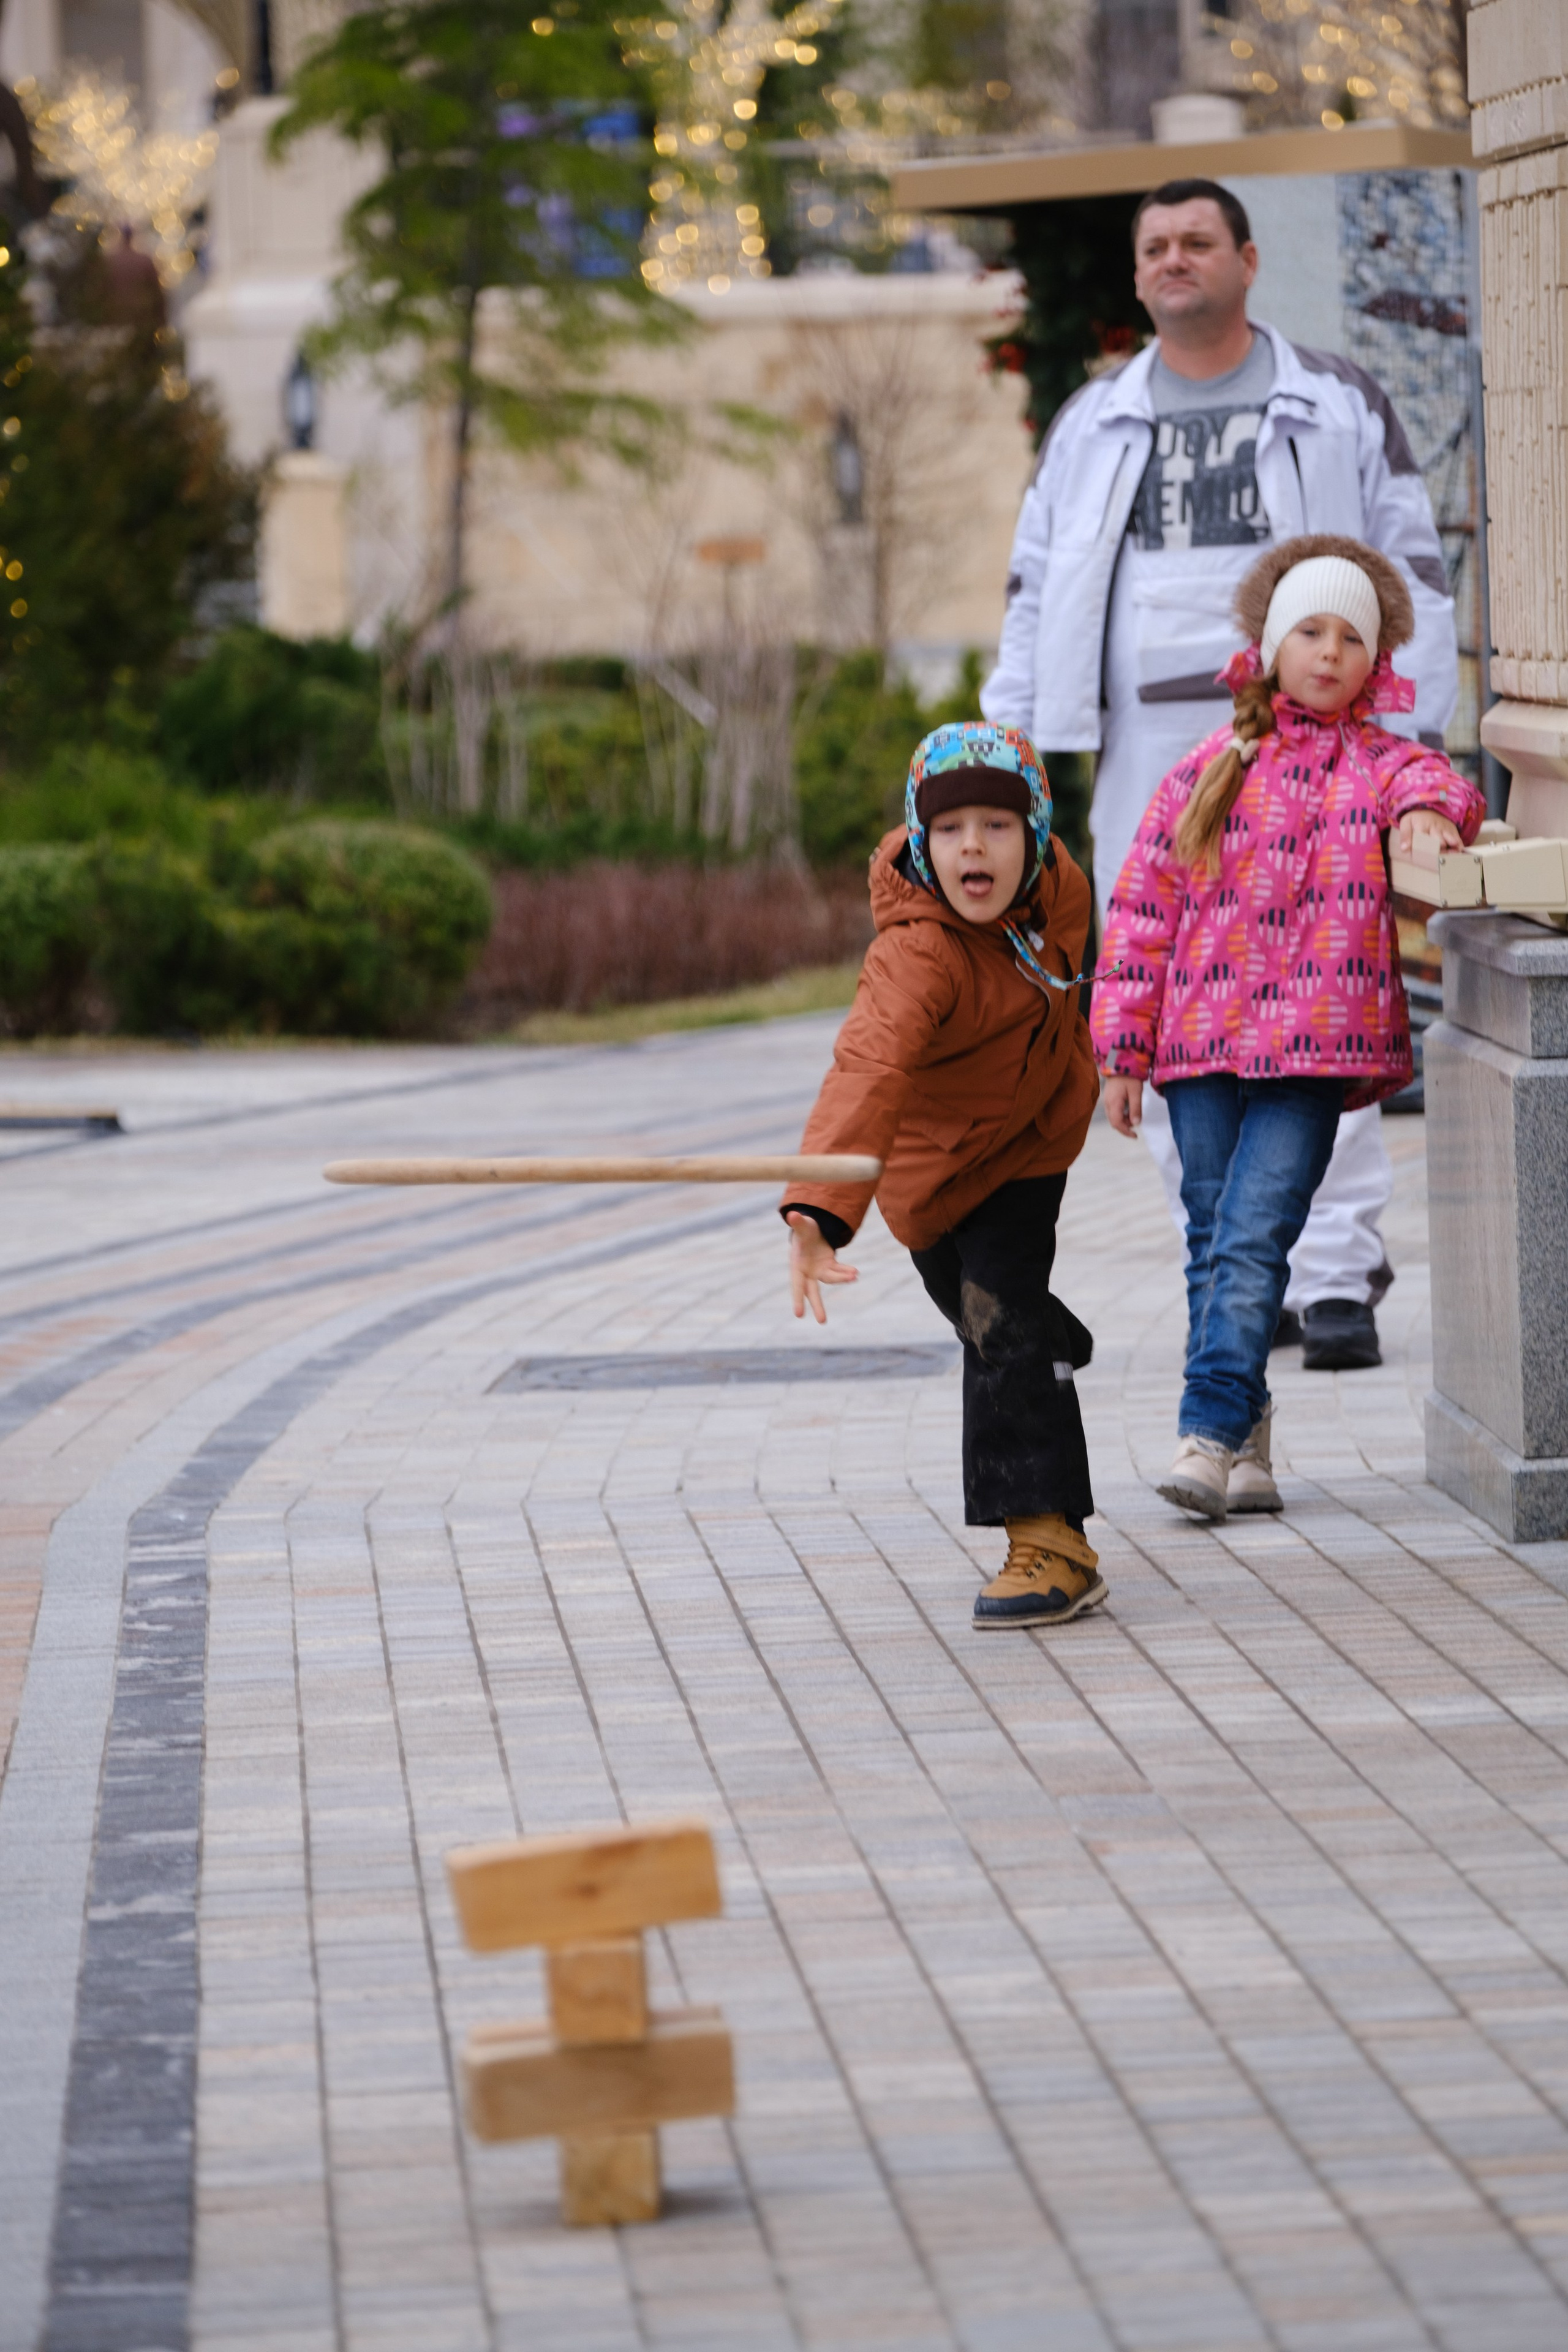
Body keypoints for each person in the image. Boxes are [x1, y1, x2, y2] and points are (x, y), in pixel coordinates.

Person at [982, 176, 1460, 1380]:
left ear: (1246, 260)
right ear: (1136, 274)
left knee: (1327, 983)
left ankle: (1335, 1271)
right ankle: (1227, 1251)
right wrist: (1013, 735)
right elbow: (1035, 581)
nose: (1173, 259)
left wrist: (1423, 737)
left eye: (1197, 240)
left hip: (1319, 751)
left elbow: (1410, 559)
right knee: (1173, 989)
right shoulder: (1090, 419)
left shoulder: (1334, 401)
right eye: (1154, 247)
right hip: (1154, 748)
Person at [1090, 537, 1483, 1519]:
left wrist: (1433, 820)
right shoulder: (1208, 772)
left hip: (1315, 1049)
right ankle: (1250, 1446)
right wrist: (1122, 1053)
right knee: (1214, 1238)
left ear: (1374, 663)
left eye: (1351, 637)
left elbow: (1446, 787)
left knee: (1257, 1234)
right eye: (1309, 630)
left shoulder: (1383, 764)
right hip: (1199, 1049)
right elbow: (1141, 914)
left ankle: (1209, 1428)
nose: (1329, 651)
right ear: (1271, 647)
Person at [781, 719, 1106, 1632]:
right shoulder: (914, 957)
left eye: (999, 827)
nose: (976, 845)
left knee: (997, 1330)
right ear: (923, 842)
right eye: (953, 827)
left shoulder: (1059, 893)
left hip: (1030, 1148)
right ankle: (1039, 1334)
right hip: (931, 1185)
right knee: (998, 1327)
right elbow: (867, 1071)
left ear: (1036, 836)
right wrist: (818, 1209)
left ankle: (1049, 1543)